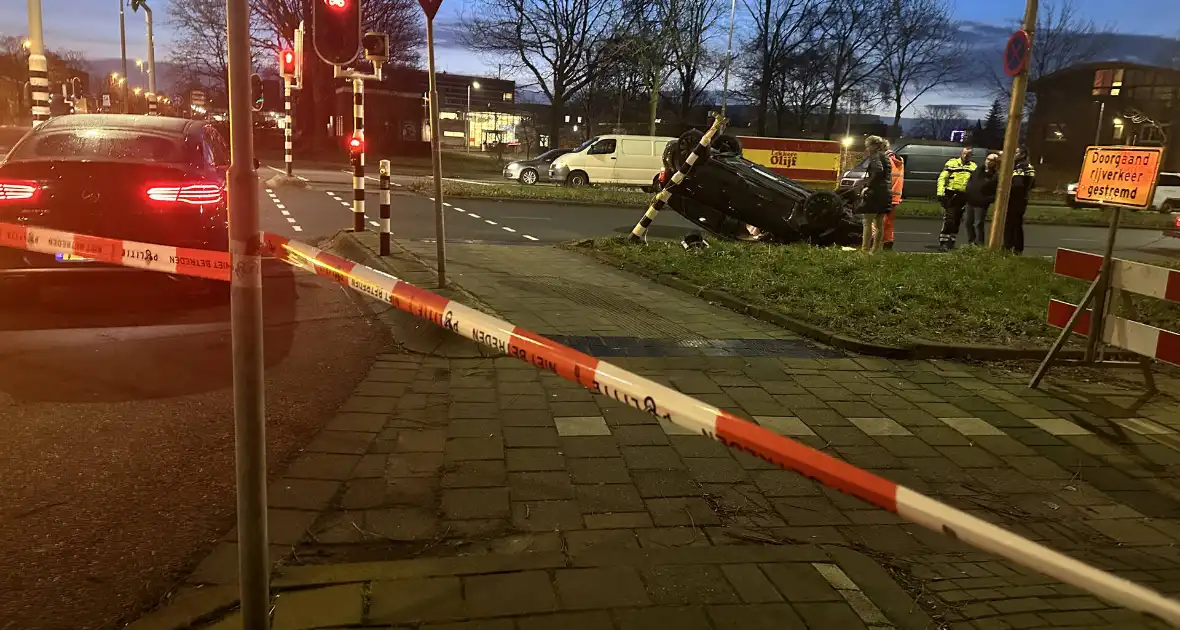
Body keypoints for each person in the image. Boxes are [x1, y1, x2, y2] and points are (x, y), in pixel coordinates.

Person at [936, 146, 977, 251]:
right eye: (965, 153)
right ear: (961, 153)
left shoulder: (973, 167)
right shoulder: (952, 163)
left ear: (972, 156)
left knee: (958, 220)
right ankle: (943, 242)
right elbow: (942, 178)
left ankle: (951, 241)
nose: (966, 156)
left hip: (964, 196)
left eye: (969, 154)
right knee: (950, 219)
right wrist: (940, 193)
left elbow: (975, 183)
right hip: (952, 194)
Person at [859, 135, 893, 252]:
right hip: (885, 193)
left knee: (867, 223)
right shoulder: (886, 157)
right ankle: (876, 250)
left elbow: (878, 171)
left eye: (868, 146)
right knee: (879, 224)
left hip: (875, 193)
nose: (867, 149)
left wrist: (867, 186)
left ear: (874, 146)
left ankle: (865, 250)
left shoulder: (875, 157)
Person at [963, 153, 1000, 246]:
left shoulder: (995, 175)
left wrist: (987, 199)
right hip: (970, 201)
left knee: (978, 224)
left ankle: (980, 244)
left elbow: (996, 191)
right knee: (968, 223)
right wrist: (967, 192)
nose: (988, 161)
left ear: (995, 163)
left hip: (981, 204)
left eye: (991, 160)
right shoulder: (978, 170)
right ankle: (971, 242)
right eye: (988, 159)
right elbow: (970, 182)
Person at [1004, 147, 1036, 254]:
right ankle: (1012, 246)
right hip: (1019, 198)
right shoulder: (1021, 165)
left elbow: (1019, 184)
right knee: (1012, 223)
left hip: (1017, 199)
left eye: (1016, 152)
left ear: (1022, 154)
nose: (1014, 154)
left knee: (1013, 223)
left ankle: (1013, 247)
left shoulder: (1022, 166)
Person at [882, 143, 905, 250]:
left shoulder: (886, 161)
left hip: (885, 196)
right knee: (889, 222)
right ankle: (888, 243)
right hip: (895, 197)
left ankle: (873, 243)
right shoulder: (899, 161)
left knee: (878, 222)